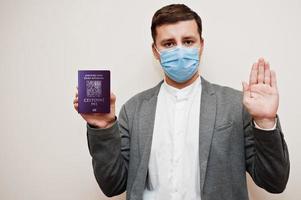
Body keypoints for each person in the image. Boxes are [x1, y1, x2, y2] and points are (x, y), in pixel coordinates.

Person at [73, 4, 289, 200]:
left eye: (188, 41)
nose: (179, 51)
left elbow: (274, 182)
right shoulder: (134, 109)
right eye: (168, 43)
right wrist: (103, 127)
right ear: (155, 51)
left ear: (201, 45)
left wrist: (265, 122)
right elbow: (113, 185)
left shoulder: (235, 105)